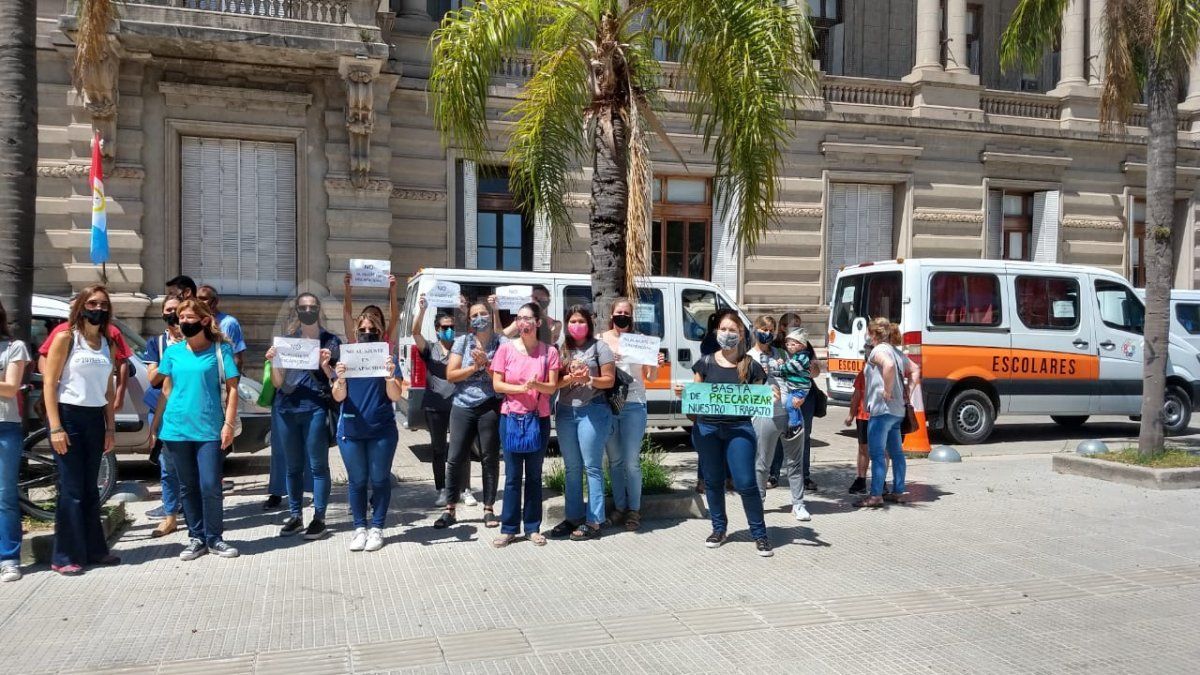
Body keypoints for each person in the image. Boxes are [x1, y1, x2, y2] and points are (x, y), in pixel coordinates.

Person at [41, 285, 121, 575]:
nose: (97, 309)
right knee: (72, 490)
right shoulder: (65, 337)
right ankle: (64, 556)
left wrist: (110, 426)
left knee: (91, 489)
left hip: (94, 419)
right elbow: (50, 384)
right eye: (92, 303)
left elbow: (109, 388)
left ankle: (95, 550)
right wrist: (56, 427)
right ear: (81, 306)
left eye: (103, 304)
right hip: (69, 417)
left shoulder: (107, 342)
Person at [683, 309, 774, 557]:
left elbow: (761, 398)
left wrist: (771, 396)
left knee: (746, 483)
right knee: (712, 481)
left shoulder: (750, 366)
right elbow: (693, 408)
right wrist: (687, 397)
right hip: (707, 429)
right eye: (722, 329)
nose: (727, 334)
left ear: (742, 334)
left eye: (732, 330)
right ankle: (718, 529)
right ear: (716, 333)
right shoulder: (705, 362)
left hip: (739, 430)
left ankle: (760, 534)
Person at [156, 299, 241, 560]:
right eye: (181, 318)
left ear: (205, 321)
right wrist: (155, 424)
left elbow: (233, 388)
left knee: (209, 485)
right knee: (187, 487)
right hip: (175, 428)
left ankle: (215, 538)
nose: (183, 322)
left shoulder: (221, 350)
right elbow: (166, 388)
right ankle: (196, 537)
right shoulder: (172, 352)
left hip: (208, 429)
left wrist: (228, 424)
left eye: (190, 318)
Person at [265, 294, 341, 540]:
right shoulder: (287, 342)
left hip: (315, 408)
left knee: (318, 465)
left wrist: (326, 365)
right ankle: (295, 515)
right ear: (296, 311)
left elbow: (337, 381)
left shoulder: (330, 342)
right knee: (293, 466)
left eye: (312, 307)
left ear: (318, 309)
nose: (307, 311)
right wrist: (274, 361)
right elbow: (277, 383)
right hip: (286, 409)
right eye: (303, 307)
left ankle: (319, 518)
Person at [490, 302, 559, 548]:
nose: (523, 323)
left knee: (533, 476)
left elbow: (552, 387)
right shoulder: (506, 350)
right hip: (510, 419)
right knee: (512, 476)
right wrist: (520, 388)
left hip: (537, 420)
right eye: (519, 318)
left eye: (528, 318)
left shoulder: (549, 352)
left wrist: (536, 386)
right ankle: (508, 528)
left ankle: (532, 527)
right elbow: (497, 385)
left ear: (538, 323)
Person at [332, 313, 402, 552]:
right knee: (357, 481)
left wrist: (391, 376)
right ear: (356, 332)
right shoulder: (347, 358)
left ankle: (377, 528)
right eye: (362, 329)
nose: (366, 332)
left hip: (381, 430)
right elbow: (338, 396)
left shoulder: (387, 360)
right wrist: (340, 379)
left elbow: (395, 395)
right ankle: (360, 527)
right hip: (351, 430)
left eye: (371, 328)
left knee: (380, 480)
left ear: (380, 332)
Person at [435, 297, 505, 530]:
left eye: (483, 314)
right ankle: (450, 509)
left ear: (490, 315)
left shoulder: (501, 342)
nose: (479, 318)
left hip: (490, 405)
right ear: (469, 320)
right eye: (474, 315)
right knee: (455, 457)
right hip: (463, 405)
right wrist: (475, 367)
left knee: (490, 457)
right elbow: (451, 374)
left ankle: (488, 509)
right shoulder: (463, 342)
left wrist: (487, 363)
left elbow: (506, 373)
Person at [549, 306, 614, 541]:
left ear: (589, 324)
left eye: (581, 321)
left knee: (592, 467)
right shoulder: (560, 349)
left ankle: (594, 521)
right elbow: (553, 383)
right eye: (573, 321)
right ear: (567, 324)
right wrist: (570, 377)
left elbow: (609, 381)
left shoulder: (600, 347)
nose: (577, 325)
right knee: (572, 468)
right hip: (566, 412)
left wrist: (589, 379)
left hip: (593, 411)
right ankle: (573, 517)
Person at [600, 297, 663, 531]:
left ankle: (634, 510)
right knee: (614, 462)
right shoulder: (601, 341)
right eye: (619, 312)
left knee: (631, 462)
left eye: (626, 312)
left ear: (631, 316)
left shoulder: (642, 341)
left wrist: (655, 363)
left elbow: (652, 377)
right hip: (608, 405)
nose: (622, 316)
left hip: (634, 404)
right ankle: (619, 507)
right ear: (611, 315)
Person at [412, 295, 474, 508]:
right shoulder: (430, 349)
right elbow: (415, 333)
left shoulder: (462, 347)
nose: (448, 330)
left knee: (462, 449)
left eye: (451, 326)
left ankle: (465, 489)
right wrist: (421, 310)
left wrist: (464, 311)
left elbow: (472, 334)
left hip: (459, 405)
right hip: (434, 406)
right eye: (444, 327)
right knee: (438, 449)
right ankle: (441, 490)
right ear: (437, 329)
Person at [747, 317, 811, 522]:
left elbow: (805, 375)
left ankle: (798, 504)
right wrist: (762, 387)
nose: (767, 332)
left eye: (771, 329)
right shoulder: (748, 357)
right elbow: (743, 388)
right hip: (765, 415)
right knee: (762, 463)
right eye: (763, 329)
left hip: (790, 413)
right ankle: (759, 501)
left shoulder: (783, 352)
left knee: (795, 463)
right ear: (755, 330)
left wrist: (802, 396)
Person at [855, 318, 919, 508]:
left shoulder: (879, 350)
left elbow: (888, 365)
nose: (867, 337)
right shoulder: (897, 352)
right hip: (897, 411)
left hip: (881, 410)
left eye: (869, 333)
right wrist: (908, 391)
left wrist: (888, 391)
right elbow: (915, 370)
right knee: (897, 453)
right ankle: (898, 491)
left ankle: (875, 496)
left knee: (877, 455)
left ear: (874, 334)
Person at [143, 294, 184, 537]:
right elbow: (153, 379)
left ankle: (191, 513)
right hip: (162, 409)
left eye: (177, 310)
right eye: (168, 310)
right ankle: (170, 516)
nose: (173, 314)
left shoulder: (197, 341)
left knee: (191, 468)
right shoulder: (157, 344)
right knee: (167, 467)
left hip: (190, 409)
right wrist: (172, 355)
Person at [0, 299, 31, 582]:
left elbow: (10, 388)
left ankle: (9, 558)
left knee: (5, 496)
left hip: (4, 426)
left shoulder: (14, 347)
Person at [773, 312, 820, 491]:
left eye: (799, 324)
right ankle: (773, 474)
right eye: (794, 324)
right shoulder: (776, 345)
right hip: (782, 394)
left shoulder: (803, 344)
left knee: (803, 435)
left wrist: (809, 369)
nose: (798, 327)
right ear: (783, 327)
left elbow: (815, 369)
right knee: (778, 434)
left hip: (803, 396)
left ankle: (804, 476)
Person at [197, 285, 247, 373]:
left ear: (215, 301)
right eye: (197, 299)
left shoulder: (229, 323)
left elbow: (237, 358)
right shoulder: (193, 322)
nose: (199, 302)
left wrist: (232, 384)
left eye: (203, 299)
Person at [342, 273, 401, 346]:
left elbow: (394, 318)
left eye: (375, 315)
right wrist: (348, 289)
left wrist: (393, 290)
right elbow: (347, 314)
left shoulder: (386, 341)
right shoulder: (354, 339)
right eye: (362, 330)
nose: (367, 332)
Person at [844, 365, 871, 495]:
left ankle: (862, 480)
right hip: (874, 416)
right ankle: (877, 483)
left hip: (868, 417)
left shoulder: (865, 373)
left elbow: (856, 396)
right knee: (879, 451)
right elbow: (857, 395)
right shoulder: (889, 372)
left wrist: (850, 415)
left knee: (864, 450)